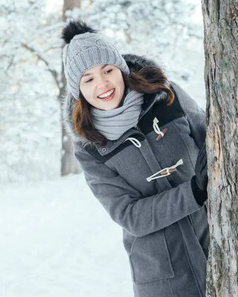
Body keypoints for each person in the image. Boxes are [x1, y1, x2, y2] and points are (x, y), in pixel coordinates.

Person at [61, 20, 210, 297]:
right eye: (88, 78)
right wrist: (194, 191)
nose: (103, 84)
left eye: (108, 70)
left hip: (217, 243)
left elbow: (213, 141)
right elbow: (130, 216)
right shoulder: (89, 148)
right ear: (78, 89)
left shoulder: (166, 96)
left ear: (121, 70)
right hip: (164, 276)